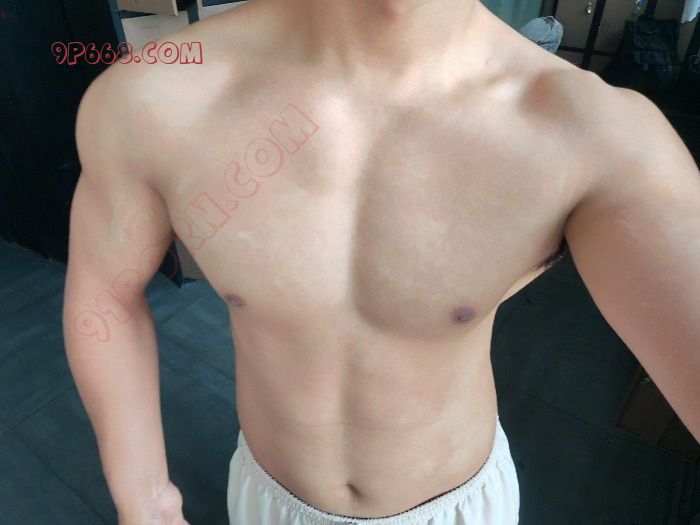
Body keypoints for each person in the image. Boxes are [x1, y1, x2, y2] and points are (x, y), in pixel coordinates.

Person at [62, 1, 700, 523]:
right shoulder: (155, 97)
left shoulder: (597, 141)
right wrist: (147, 500)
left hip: (454, 508)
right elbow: (104, 291)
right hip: (267, 500)